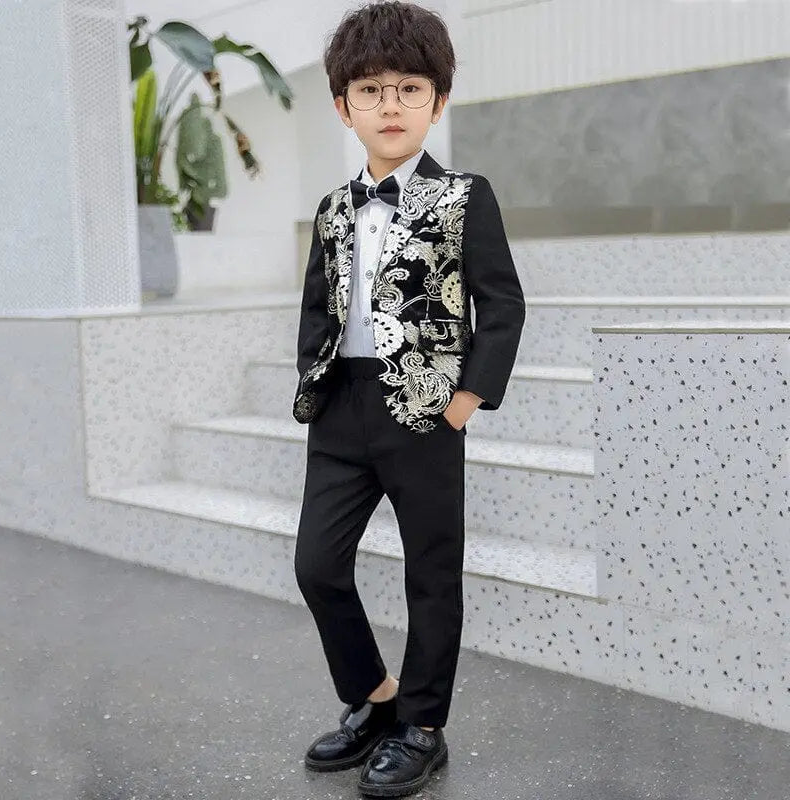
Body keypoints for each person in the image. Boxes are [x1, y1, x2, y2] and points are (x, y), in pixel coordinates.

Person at [291, 2, 525, 796]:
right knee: (318, 566)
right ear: (343, 107)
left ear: (438, 100)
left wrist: (466, 400)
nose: (390, 105)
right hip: (342, 409)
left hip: (426, 408)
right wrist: (313, 393)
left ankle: (423, 725)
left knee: (432, 573)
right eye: (371, 90)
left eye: (409, 88)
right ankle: (376, 698)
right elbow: (318, 310)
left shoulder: (464, 198)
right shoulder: (331, 209)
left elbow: (503, 306)